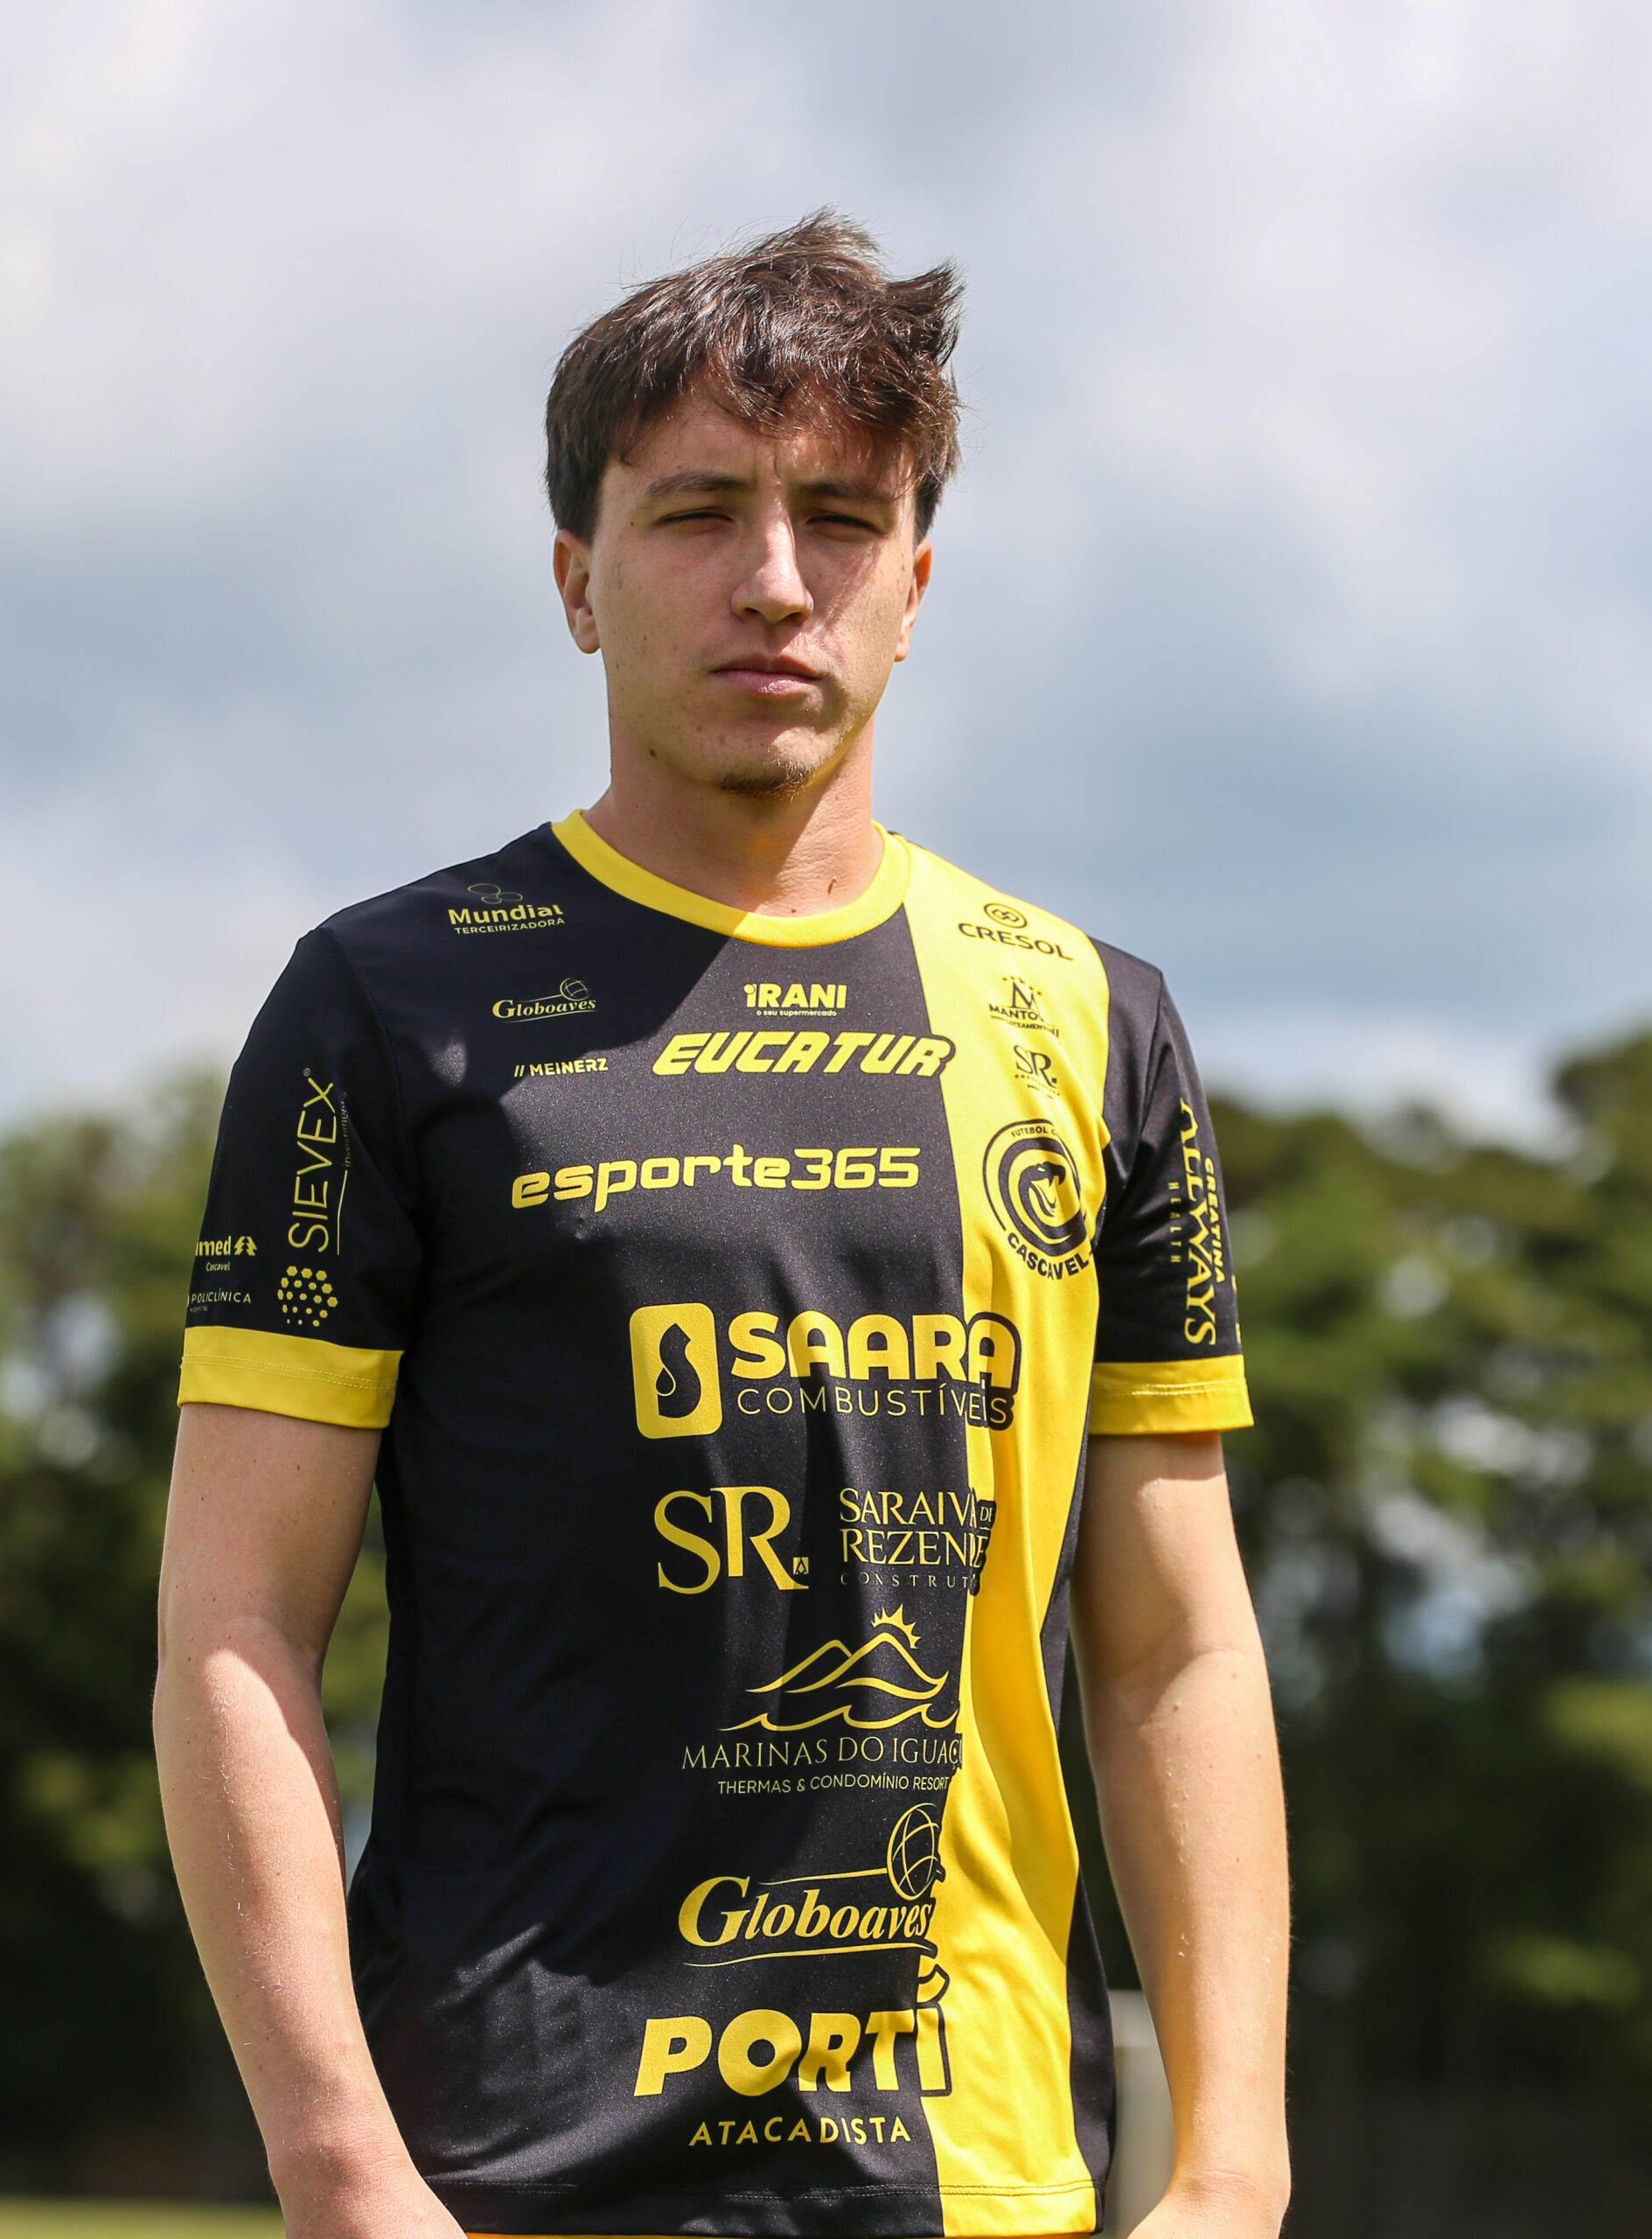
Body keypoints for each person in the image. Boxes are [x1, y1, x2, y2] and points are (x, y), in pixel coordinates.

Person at [154, 213, 1290, 2239]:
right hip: (506, 2182)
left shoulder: (1091, 1021)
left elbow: (1173, 1643)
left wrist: (1229, 2164)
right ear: (576, 580)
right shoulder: (383, 1007)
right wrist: (341, 2167)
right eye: (696, 513)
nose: (775, 579)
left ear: (914, 585)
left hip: (979, 2177)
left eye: (841, 519)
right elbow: (235, 1623)